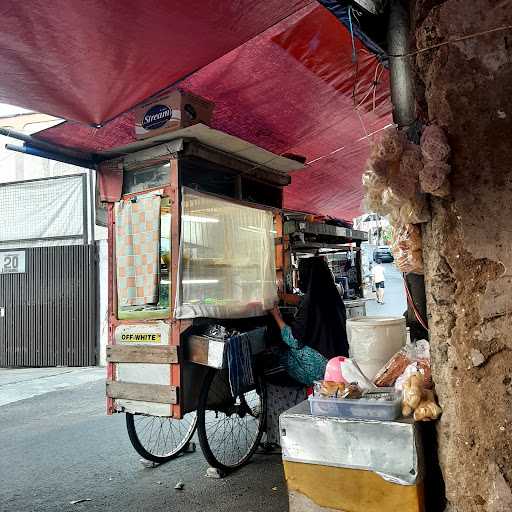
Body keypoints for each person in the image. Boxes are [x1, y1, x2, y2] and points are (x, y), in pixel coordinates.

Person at [280, 256, 350, 360]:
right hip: (340, 360)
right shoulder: (333, 298)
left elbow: (294, 340)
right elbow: (306, 301)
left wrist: (276, 315)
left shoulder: (309, 304)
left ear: (307, 276)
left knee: (281, 355)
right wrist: (287, 297)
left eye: (300, 275)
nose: (299, 280)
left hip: (322, 365)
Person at [270, 305, 327, 386]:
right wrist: (278, 318)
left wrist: (277, 317)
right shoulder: (322, 371)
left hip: (315, 376)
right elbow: (293, 340)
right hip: (315, 378)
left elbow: (293, 340)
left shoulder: (320, 371)